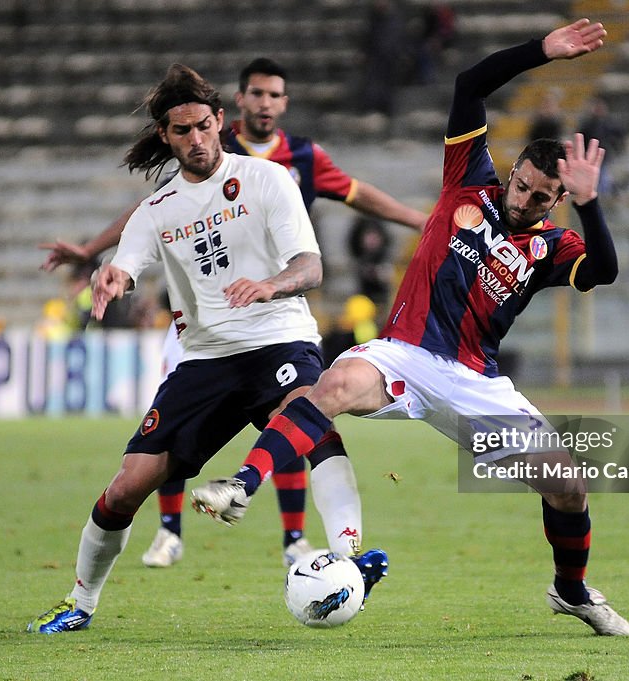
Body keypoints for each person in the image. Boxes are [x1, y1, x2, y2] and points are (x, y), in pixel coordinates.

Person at [192, 19, 629, 636]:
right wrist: (542, 52)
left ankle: (572, 590)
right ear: (512, 174)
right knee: (333, 388)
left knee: (566, 486)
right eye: (522, 185)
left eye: (541, 196)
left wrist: (591, 206)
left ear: (558, 201)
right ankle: (242, 483)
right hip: (402, 355)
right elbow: (469, 84)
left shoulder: (554, 246)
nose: (524, 199)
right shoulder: (467, 182)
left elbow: (605, 271)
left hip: (475, 382)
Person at [28, 64, 387, 634]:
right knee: (127, 486)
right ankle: (80, 602)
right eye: (181, 131)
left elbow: (311, 265)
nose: (195, 140)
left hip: (277, 339)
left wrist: (273, 284)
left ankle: (350, 556)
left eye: (202, 126)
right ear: (165, 136)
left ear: (221, 120)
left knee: (310, 416)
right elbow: (126, 260)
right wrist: (111, 277)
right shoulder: (157, 210)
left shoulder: (269, 181)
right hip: (204, 359)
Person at [577, 95, 624, 195]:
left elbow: (619, 136)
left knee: (603, 176)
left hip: (605, 155)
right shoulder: (588, 124)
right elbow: (581, 138)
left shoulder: (609, 123)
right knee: (596, 177)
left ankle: (604, 196)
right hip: (590, 156)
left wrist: (615, 147)